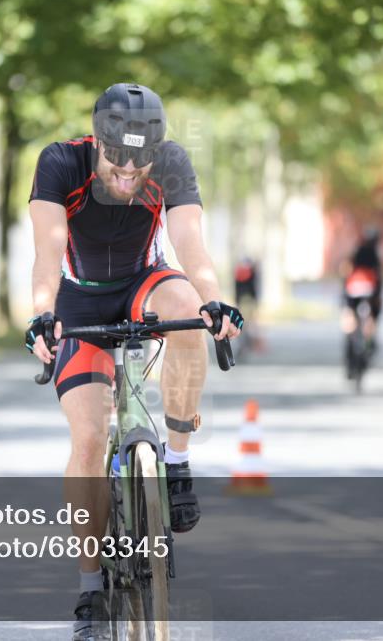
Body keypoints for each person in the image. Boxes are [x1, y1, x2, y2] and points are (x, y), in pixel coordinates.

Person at [25, 83, 243, 640]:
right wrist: (43, 314)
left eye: (139, 160)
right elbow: (47, 252)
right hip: (77, 298)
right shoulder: (59, 163)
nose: (128, 172)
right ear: (97, 141)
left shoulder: (169, 163)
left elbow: (191, 245)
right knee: (90, 439)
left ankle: (175, 460)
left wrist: (215, 302)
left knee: (191, 313)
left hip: (144, 282)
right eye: (116, 157)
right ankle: (91, 591)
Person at [340, 226, 383, 353]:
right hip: (369, 288)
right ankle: (369, 339)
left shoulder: (356, 251)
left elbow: (346, 269)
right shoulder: (375, 255)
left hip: (352, 287)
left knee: (350, 312)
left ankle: (350, 339)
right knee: (371, 314)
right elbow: (379, 275)